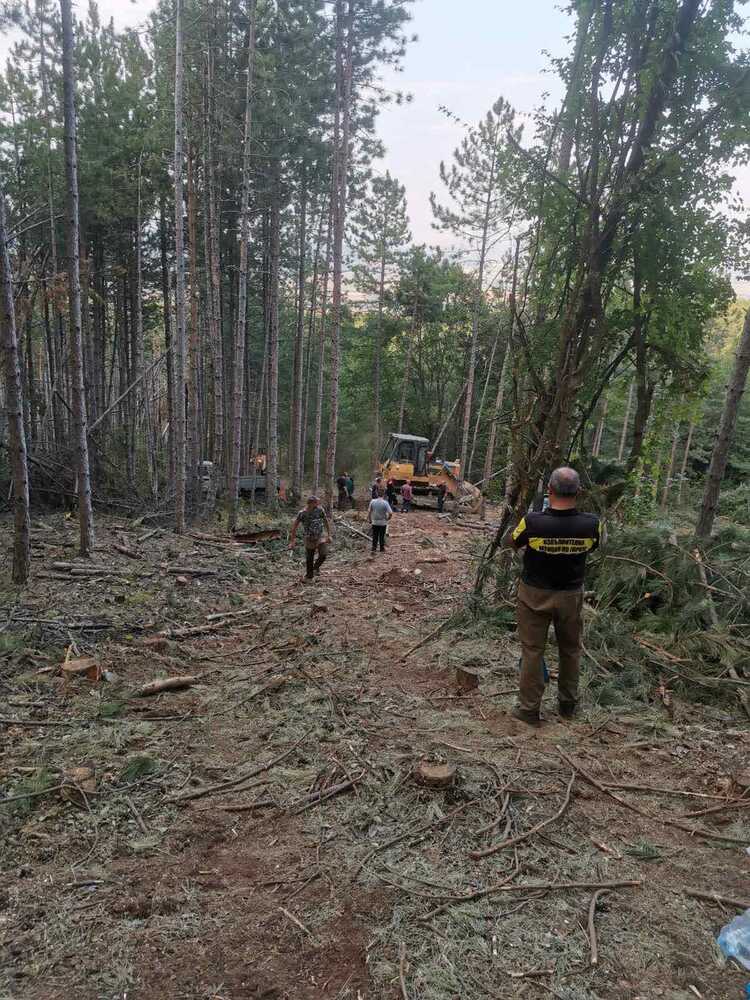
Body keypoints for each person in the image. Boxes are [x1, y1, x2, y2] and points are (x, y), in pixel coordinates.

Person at [505, 466, 601, 725]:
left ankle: (528, 709)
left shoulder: (533, 522)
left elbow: (511, 542)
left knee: (533, 650)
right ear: (578, 492)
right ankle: (568, 705)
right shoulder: (591, 524)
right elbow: (593, 545)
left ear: (549, 490)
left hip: (534, 594)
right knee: (570, 651)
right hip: (571, 595)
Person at [289, 495, 332, 582]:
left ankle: (315, 568)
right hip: (309, 538)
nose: (318, 504)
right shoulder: (302, 513)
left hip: (320, 536)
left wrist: (329, 535)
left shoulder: (320, 510)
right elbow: (294, 527)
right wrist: (292, 541)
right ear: (311, 503)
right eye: (316, 502)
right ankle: (309, 576)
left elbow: (325, 521)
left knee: (323, 554)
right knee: (309, 558)